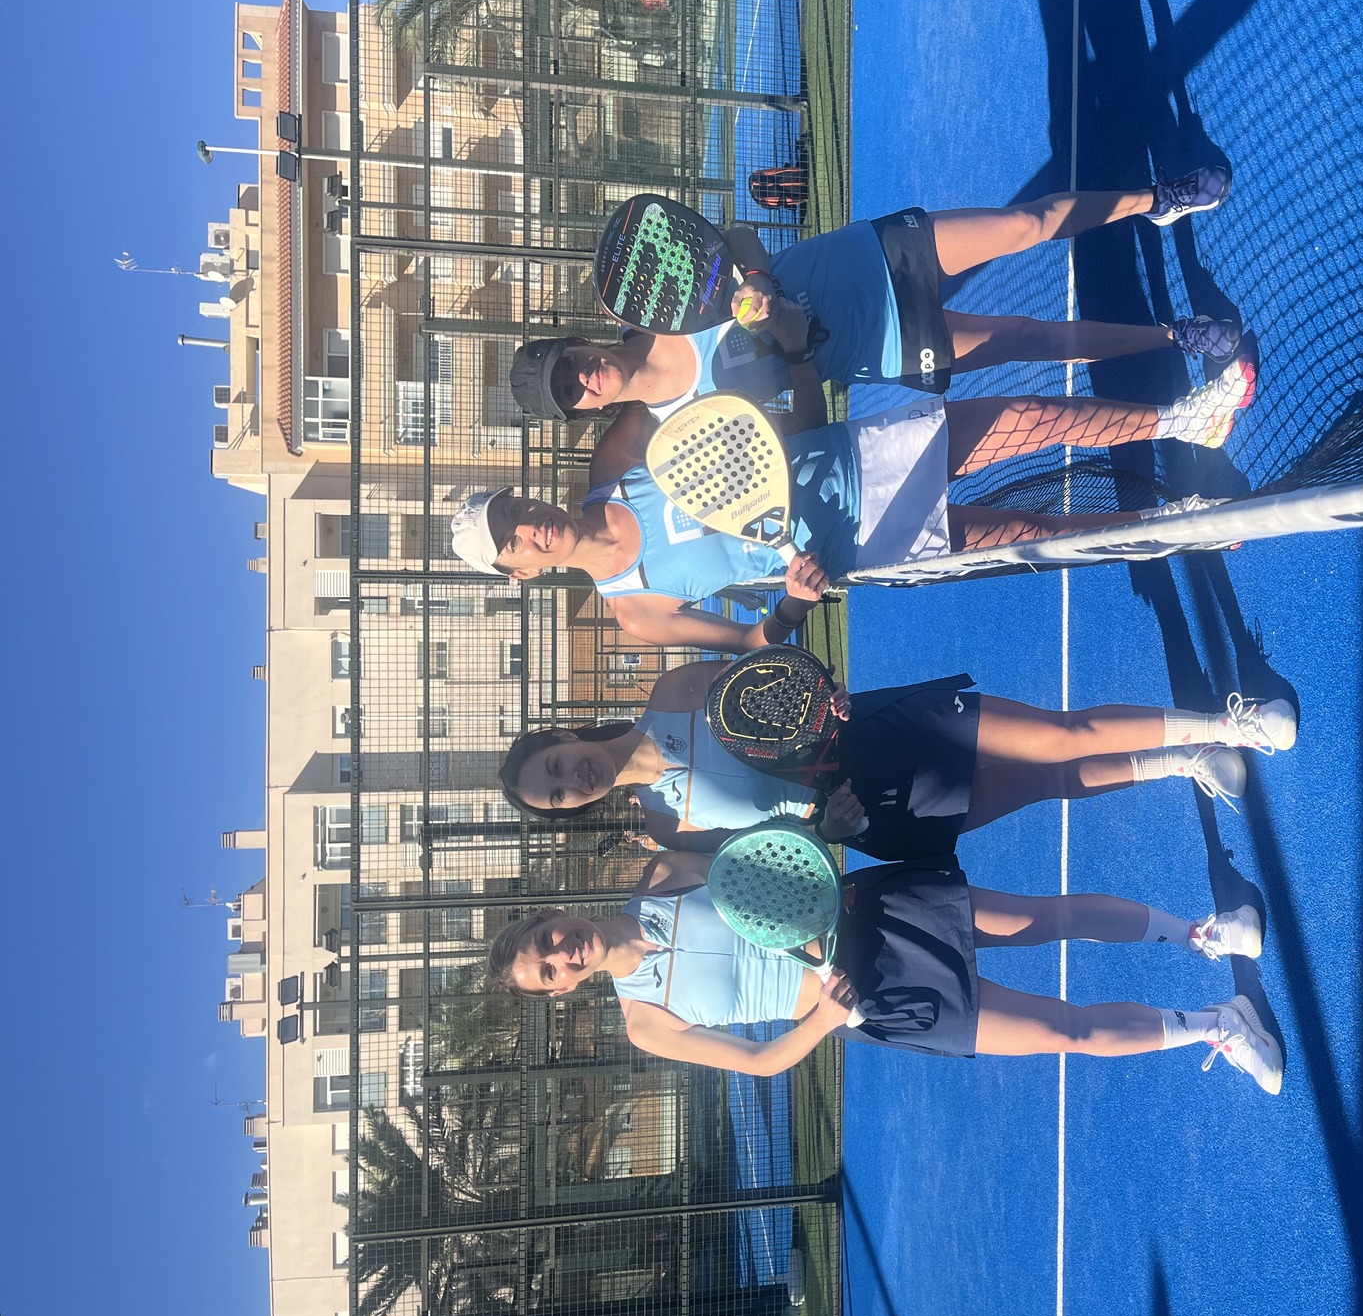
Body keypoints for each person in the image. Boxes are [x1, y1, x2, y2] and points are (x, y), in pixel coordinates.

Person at [449, 349, 1255, 654]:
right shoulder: (634, 611)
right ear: (521, 573)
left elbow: (670, 380)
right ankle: (1176, 526)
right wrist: (794, 606)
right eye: (512, 541)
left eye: (513, 511)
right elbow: (752, 639)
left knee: (1027, 417)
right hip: (862, 547)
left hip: (852, 454)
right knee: (1028, 528)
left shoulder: (615, 457)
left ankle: (1186, 420)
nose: (528, 527)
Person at [486, 848, 1286, 1094]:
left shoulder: (662, 875)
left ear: (554, 913)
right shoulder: (643, 1023)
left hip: (874, 916)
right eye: (549, 971)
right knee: (1061, 1032)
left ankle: (1202, 934)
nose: (561, 953)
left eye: (546, 939)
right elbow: (761, 1060)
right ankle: (1216, 1024)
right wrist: (826, 1017)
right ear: (564, 991)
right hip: (870, 998)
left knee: (1045, 917)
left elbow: (768, 856)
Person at [506, 170, 1243, 425]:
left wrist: (758, 278)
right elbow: (803, 427)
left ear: (578, 342)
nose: (584, 378)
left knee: (1026, 224)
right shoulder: (681, 426)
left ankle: (1157, 200)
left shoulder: (654, 301)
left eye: (569, 364)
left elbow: (735, 234)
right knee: (1034, 338)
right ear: (584, 413)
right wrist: (795, 350)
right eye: (572, 393)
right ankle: (1178, 336)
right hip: (881, 346)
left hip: (868, 258)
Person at [494, 657, 1299, 855]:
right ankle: (1184, 762)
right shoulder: (666, 828)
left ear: (563, 738)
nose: (572, 780)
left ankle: (1230, 724)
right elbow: (776, 851)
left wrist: (822, 688)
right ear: (574, 809)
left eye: (555, 765)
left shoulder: (671, 692)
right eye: (558, 796)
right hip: (870, 810)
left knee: (1060, 736)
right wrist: (828, 832)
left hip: (874, 730)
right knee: (1044, 783)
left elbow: (768, 670)